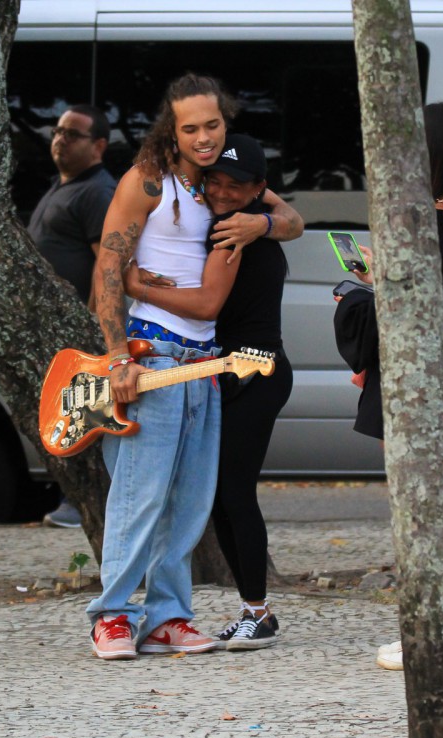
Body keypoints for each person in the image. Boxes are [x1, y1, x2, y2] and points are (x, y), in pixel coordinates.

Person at [86, 74, 303, 661]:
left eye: (213, 125)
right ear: (171, 130)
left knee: (187, 502)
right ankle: (112, 615)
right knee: (139, 494)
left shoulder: (215, 184)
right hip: (151, 353)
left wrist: (261, 223)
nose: (204, 137)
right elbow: (106, 270)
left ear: (225, 122)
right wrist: (115, 359)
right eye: (191, 129)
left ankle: (167, 619)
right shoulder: (146, 181)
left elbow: (293, 220)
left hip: (205, 362)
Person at [331, 102, 443, 670]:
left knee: (420, 513)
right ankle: (441, 624)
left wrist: (357, 296)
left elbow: (409, 312)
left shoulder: (422, 225)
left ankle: (426, 632)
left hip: (424, 386)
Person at [125, 134, 293, 650]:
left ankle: (258, 612)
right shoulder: (227, 220)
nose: (221, 190)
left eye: (236, 185)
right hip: (221, 371)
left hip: (255, 373)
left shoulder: (237, 233)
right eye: (214, 179)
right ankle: (247, 608)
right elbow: (289, 217)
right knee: (214, 495)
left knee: (233, 493)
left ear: (258, 189)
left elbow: (205, 307)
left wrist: (133, 283)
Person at [29, 104, 117, 530]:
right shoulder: (61, 184)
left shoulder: (97, 192)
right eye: (57, 130)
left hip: (82, 328)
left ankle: (79, 503)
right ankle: (72, 499)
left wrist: (92, 323)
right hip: (55, 329)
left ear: (99, 145)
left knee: (83, 411)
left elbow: (108, 263)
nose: (60, 138)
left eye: (73, 133)